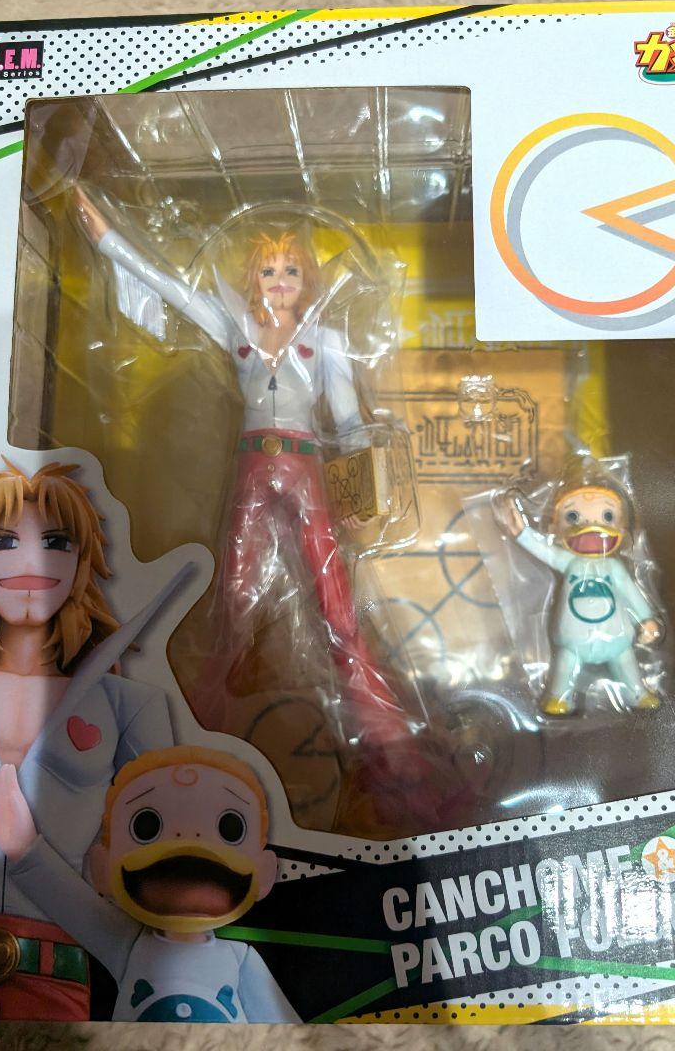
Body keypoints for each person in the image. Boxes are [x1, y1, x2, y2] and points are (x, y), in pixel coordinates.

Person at [75, 189, 445, 827]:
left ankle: (389, 742)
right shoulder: (236, 327)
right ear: (252, 278)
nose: (278, 279)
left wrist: (364, 491)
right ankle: (191, 733)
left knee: (337, 606)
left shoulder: (325, 338)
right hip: (252, 467)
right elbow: (171, 290)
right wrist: (109, 238)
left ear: (308, 279)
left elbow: (349, 421)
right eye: (268, 269)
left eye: (290, 269)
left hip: (305, 467)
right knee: (235, 606)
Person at [0, 460, 183, 1020]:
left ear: (82, 563)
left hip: (59, 972)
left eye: (56, 542)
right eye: (3, 542)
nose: (31, 561)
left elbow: (163, 875)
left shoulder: (128, 705)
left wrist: (32, 855)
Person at [0, 745, 300, 1022]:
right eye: (146, 826)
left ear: (264, 872)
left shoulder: (239, 961)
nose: (188, 844)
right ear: (103, 866)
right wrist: (24, 847)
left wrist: (24, 849)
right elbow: (70, 902)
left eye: (230, 828)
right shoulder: (129, 945)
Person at [498, 481, 664, 716]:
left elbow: (631, 593)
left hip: (616, 637)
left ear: (621, 527)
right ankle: (558, 697)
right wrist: (521, 533)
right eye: (573, 516)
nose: (590, 525)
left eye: (607, 516)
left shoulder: (613, 567)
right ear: (555, 527)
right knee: (565, 664)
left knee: (626, 662)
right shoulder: (568, 562)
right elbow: (544, 551)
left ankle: (636, 693)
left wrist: (646, 619)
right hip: (573, 640)